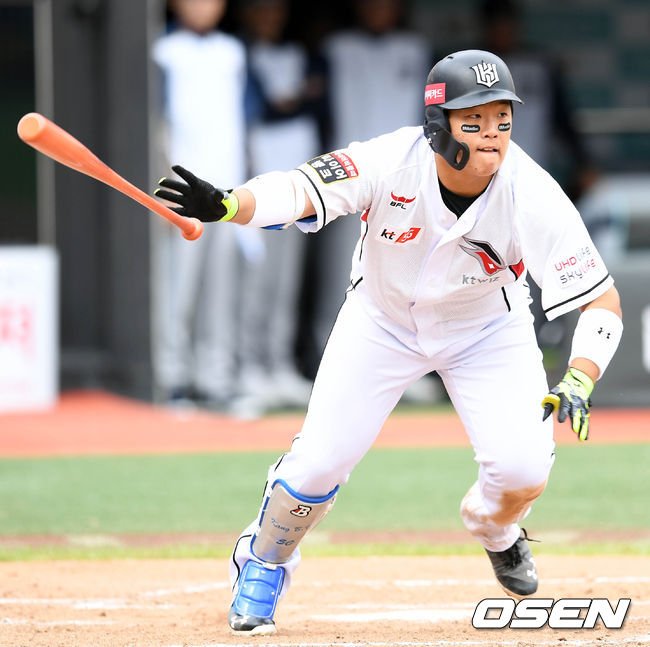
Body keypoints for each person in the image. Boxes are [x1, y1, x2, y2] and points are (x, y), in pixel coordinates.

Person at [154, 50, 623, 635]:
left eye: (501, 119)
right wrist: (230, 204)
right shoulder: (388, 159)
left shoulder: (531, 190)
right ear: (438, 126)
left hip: (487, 331)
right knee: (318, 463)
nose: (492, 134)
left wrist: (580, 375)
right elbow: (299, 189)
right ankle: (264, 562)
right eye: (474, 120)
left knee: (523, 470)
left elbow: (602, 301)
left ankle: (494, 527)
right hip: (381, 321)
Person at [150, 0, 251, 409]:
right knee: (178, 289)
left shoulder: (233, 51)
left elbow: (242, 123)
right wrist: (161, 188)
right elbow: (156, 123)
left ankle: (216, 379)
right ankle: (172, 379)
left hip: (228, 191)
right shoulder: (163, 50)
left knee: (221, 291)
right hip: (184, 190)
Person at [232, 0, 322, 415]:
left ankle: (280, 364)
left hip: (300, 185)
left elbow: (315, 103)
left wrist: (297, 101)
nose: (270, 16)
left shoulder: (298, 54)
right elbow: (262, 109)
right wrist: (297, 100)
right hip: (258, 186)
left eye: (276, 9)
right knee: (258, 281)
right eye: (261, 8)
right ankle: (249, 367)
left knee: (287, 283)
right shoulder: (241, 55)